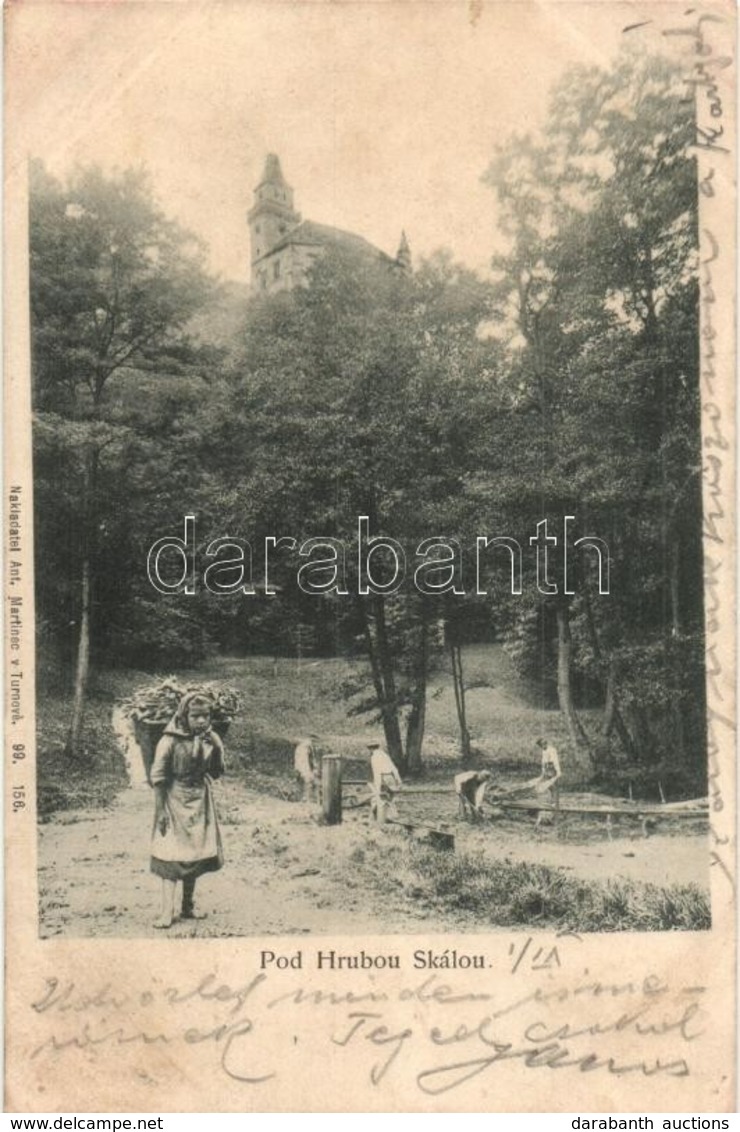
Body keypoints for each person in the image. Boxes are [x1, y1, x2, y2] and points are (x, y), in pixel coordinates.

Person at [149, 692, 225, 928]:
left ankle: (188, 907)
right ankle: (166, 911)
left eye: (205, 716)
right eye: (195, 716)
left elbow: (215, 772)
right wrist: (161, 811)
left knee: (194, 852)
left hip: (199, 798)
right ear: (184, 715)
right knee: (171, 854)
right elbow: (159, 778)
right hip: (174, 798)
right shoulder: (169, 740)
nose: (201, 721)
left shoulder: (209, 738)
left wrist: (215, 749)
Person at [367, 740, 402, 821]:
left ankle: (380, 819)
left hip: (383, 778)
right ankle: (392, 815)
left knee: (379, 798)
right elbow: (394, 768)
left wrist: (378, 788)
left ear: (370, 749)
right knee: (390, 798)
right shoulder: (384, 755)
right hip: (390, 777)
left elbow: (377, 773)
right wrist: (398, 779)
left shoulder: (374, 757)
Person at [531, 737, 562, 827]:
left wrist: (558, 771)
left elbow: (555, 761)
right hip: (547, 770)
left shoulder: (552, 750)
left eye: (543, 744)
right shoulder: (544, 751)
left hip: (552, 769)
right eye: (541, 746)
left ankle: (554, 803)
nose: (542, 746)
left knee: (553, 787)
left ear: (546, 743)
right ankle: (547, 805)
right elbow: (543, 764)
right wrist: (543, 773)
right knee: (545, 788)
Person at [294, 735, 319, 803]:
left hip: (304, 768)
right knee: (307, 782)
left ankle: (307, 798)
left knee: (309, 783)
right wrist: (306, 770)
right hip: (304, 768)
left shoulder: (309, 748)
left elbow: (312, 759)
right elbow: (303, 760)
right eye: (314, 742)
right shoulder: (304, 748)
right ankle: (306, 798)